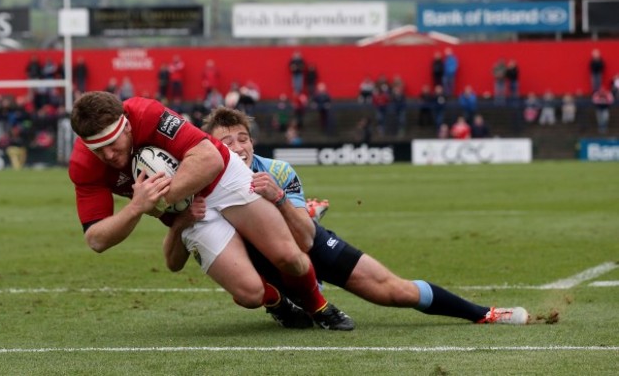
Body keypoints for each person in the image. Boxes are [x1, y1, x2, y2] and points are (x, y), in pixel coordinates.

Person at [164, 106, 529, 328]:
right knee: (251, 293)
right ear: (210, 150)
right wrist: (181, 221)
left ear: (253, 142)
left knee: (394, 291)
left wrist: (277, 199)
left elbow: (305, 240)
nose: (237, 148)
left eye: (242, 138)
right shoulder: (197, 186)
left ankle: (484, 313)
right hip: (265, 267)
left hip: (306, 243)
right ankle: (284, 302)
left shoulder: (277, 170)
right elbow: (174, 262)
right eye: (225, 143)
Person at [68, 91, 351, 331]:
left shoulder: (147, 113)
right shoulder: (83, 166)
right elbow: (96, 239)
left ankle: (319, 307)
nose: (107, 156)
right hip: (189, 213)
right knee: (251, 294)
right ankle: (278, 303)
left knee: (289, 257)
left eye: (111, 144)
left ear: (126, 126)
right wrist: (136, 208)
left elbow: (209, 160)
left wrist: (162, 202)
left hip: (222, 178)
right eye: (97, 149)